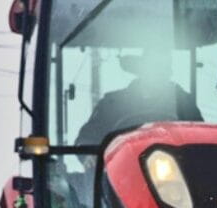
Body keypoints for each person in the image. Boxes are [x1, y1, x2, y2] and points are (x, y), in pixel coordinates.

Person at [75, 53, 203, 145]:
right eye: (154, 70)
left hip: (177, 173)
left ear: (168, 74)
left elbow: (201, 137)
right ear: (142, 71)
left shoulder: (184, 104)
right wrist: (88, 155)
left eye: (163, 70)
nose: (158, 75)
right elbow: (88, 137)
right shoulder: (113, 103)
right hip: (122, 172)